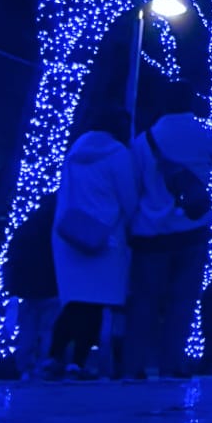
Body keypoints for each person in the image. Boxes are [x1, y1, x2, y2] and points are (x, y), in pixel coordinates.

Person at [126, 81, 212, 380]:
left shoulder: (144, 140)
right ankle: (172, 364)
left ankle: (134, 364)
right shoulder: (201, 135)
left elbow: (133, 186)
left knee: (144, 302)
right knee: (183, 300)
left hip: (149, 233)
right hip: (192, 231)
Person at [47, 107, 139, 380]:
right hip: (105, 239)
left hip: (71, 235)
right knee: (96, 302)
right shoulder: (119, 155)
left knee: (75, 301)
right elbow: (128, 198)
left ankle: (54, 355)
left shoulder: (75, 152)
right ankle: (78, 362)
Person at [6, 191, 61, 380]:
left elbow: (13, 255)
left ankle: (24, 368)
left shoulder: (26, 227)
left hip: (27, 287)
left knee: (27, 329)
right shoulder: (57, 228)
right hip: (52, 285)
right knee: (48, 329)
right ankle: (43, 365)